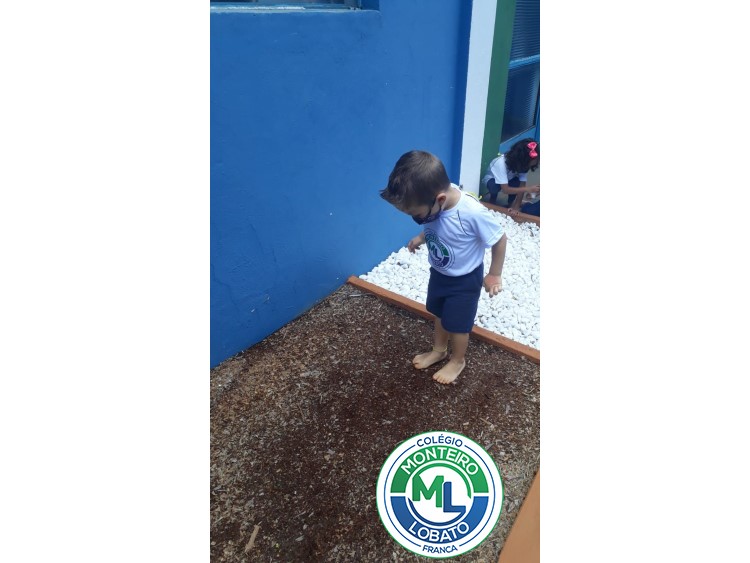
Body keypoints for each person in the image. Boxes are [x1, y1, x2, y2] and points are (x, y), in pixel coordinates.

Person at [380, 150, 507, 385]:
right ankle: (439, 351)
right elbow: (433, 225)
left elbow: (499, 239)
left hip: (464, 279)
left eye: (417, 215)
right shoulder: (435, 204)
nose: (417, 219)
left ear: (439, 199)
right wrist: (421, 237)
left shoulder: (471, 213)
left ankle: (458, 360)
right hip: (439, 273)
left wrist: (494, 274)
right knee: (439, 313)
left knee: (458, 325)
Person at [480, 138, 540, 216]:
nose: (530, 166)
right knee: (494, 187)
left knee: (517, 183)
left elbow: (522, 185)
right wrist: (528, 189)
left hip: (508, 180)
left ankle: (511, 203)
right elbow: (506, 190)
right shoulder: (501, 163)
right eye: (530, 164)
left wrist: (516, 208)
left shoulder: (524, 165)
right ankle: (492, 201)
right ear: (522, 160)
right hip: (493, 180)